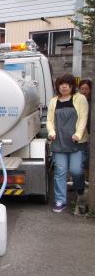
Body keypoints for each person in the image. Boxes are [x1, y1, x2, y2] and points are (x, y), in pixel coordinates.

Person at [47, 73, 88, 213]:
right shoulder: (53, 101)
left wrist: (78, 134)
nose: (64, 86)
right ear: (57, 86)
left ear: (72, 86)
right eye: (61, 84)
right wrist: (51, 131)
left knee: (76, 170)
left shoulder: (80, 98)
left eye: (67, 84)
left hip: (76, 142)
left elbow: (83, 118)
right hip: (59, 143)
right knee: (60, 172)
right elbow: (49, 120)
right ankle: (60, 200)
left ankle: (79, 186)